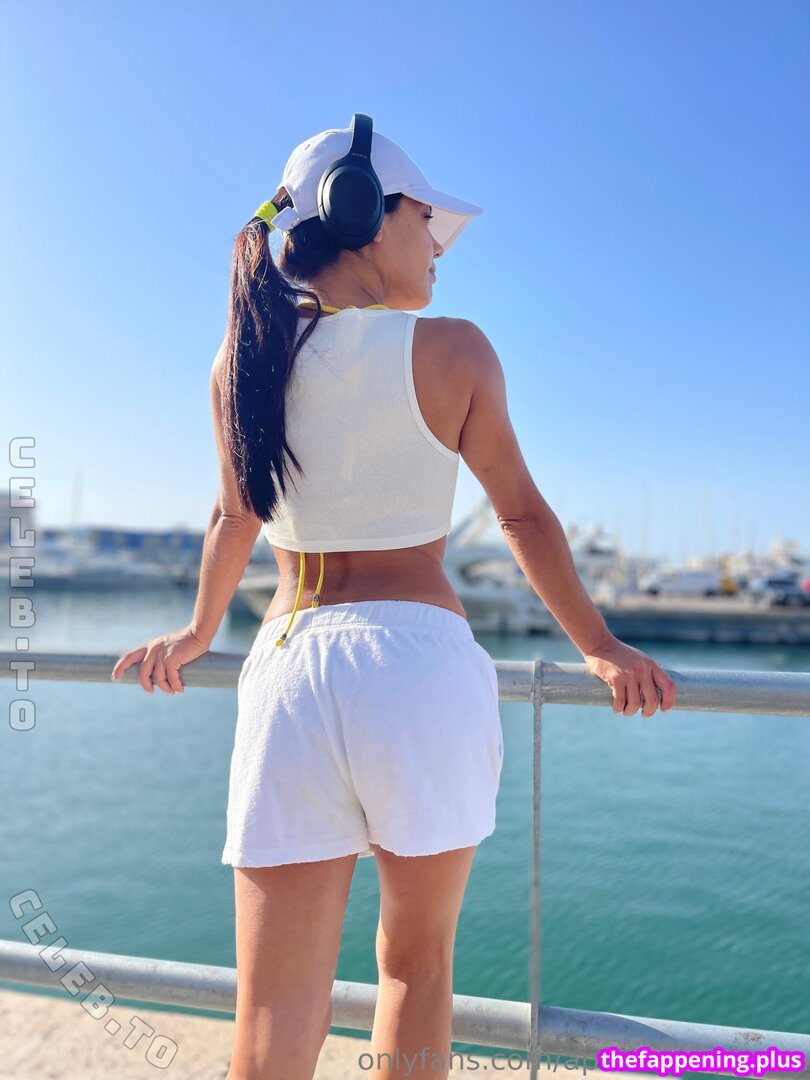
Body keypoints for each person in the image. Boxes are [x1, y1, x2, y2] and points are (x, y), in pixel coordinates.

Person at [111, 120, 677, 1080]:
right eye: (427, 221)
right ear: (364, 211)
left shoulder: (243, 359)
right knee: (414, 967)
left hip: (288, 673)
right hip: (417, 672)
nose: (438, 246)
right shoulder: (454, 351)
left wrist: (200, 630)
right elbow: (523, 517)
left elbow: (233, 516)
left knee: (271, 1012)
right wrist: (600, 644)